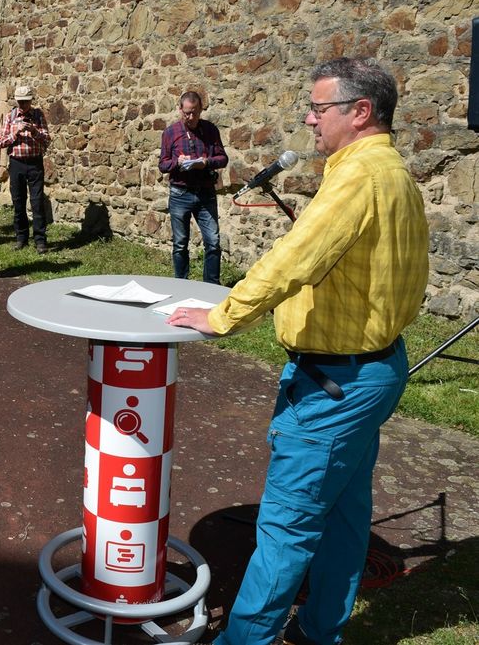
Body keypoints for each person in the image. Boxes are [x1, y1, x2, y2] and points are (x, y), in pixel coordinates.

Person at [167, 57, 429, 645]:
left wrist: (223, 314)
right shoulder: (390, 172)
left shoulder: (360, 177)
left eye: (319, 108)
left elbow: (295, 258)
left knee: (286, 529)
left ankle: (245, 640)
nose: (310, 119)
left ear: (361, 113)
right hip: (372, 369)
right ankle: (318, 631)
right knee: (343, 516)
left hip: (337, 384)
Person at [158, 90, 229, 284]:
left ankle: (211, 287)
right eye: (187, 112)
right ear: (180, 109)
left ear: (201, 110)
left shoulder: (210, 130)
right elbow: (163, 165)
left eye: (195, 112)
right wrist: (177, 162)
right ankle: (182, 284)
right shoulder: (170, 132)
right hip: (180, 193)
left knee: (213, 242)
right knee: (180, 244)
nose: (191, 117)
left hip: (206, 193)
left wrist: (206, 162)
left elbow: (223, 158)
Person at [0, 85, 51, 253]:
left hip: (35, 162)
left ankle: (40, 240)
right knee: (18, 201)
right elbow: (1, 142)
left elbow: (47, 140)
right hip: (17, 163)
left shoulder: (38, 115)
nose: (23, 105)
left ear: (31, 101)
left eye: (26, 102)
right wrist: (16, 133)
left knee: (37, 202)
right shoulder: (10, 117)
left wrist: (34, 131)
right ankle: (21, 238)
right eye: (20, 102)